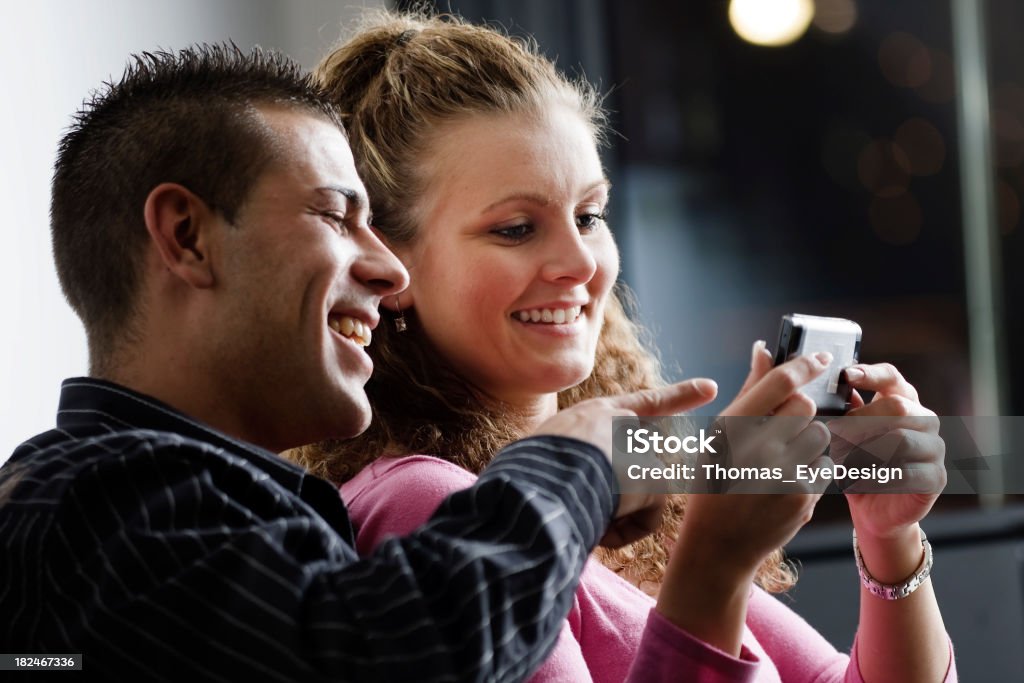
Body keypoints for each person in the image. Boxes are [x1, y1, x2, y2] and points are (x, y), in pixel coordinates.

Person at [0, 43, 717, 682]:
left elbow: (749, 456)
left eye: (590, 215)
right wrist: (581, 472)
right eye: (338, 215)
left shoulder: (180, 513)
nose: (387, 269)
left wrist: (817, 449)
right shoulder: (95, 501)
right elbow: (389, 654)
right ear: (187, 237)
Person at [293, 11, 957, 682]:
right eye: (517, 228)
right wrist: (714, 565)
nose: (580, 262)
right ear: (389, 264)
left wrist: (888, 539)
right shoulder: (426, 505)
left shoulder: (623, 479)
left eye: (589, 216)